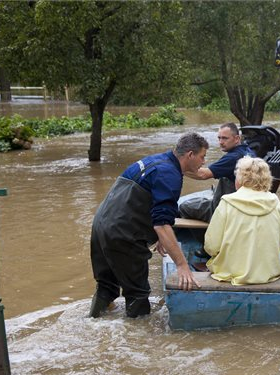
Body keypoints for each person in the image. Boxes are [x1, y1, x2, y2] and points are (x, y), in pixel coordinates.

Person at [89, 132, 209, 318]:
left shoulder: (155, 161)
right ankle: (138, 340)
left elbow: (149, 205)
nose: (203, 162)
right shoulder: (170, 174)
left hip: (100, 226)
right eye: (202, 157)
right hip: (122, 233)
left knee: (107, 285)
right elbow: (161, 224)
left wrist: (160, 235)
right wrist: (182, 265)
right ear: (190, 155)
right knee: (138, 293)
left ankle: (93, 321)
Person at [204, 156, 280, 285]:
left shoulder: (227, 202)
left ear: (240, 179)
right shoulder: (275, 202)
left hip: (230, 273)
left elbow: (212, 246)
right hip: (268, 274)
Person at [179, 122, 255, 222]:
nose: (220, 142)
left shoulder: (232, 158)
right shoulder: (249, 151)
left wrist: (179, 166)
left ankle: (199, 236)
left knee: (183, 206)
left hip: (223, 210)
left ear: (237, 138)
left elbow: (203, 174)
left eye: (225, 138)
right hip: (243, 206)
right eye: (219, 138)